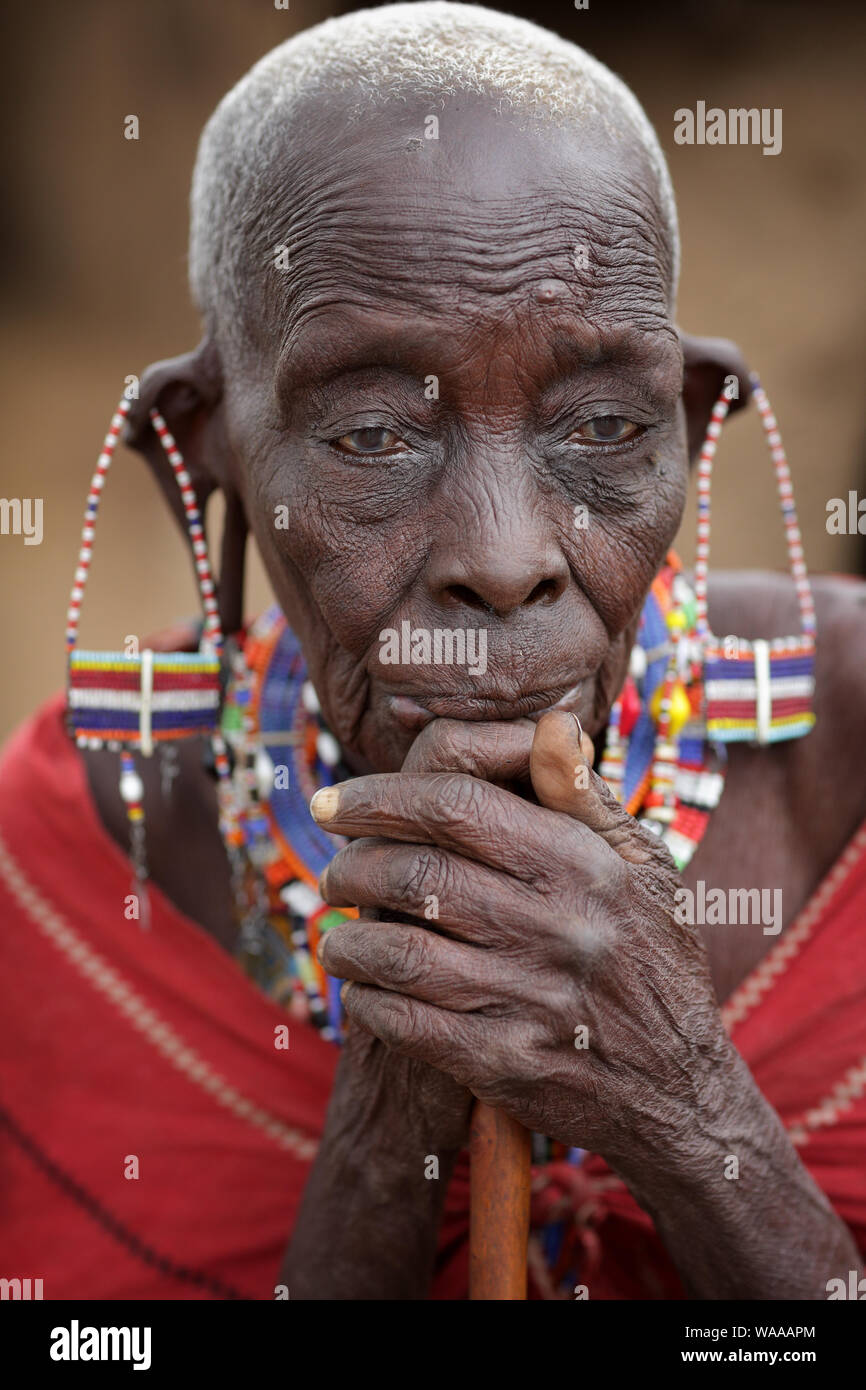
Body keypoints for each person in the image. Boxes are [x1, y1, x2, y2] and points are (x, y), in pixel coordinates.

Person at [2, 2, 865, 1301]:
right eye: (368, 437)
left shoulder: (845, 763)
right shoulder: (73, 860)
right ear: (205, 460)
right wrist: (385, 1116)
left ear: (689, 428)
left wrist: (690, 1111)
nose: (507, 555)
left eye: (603, 427)